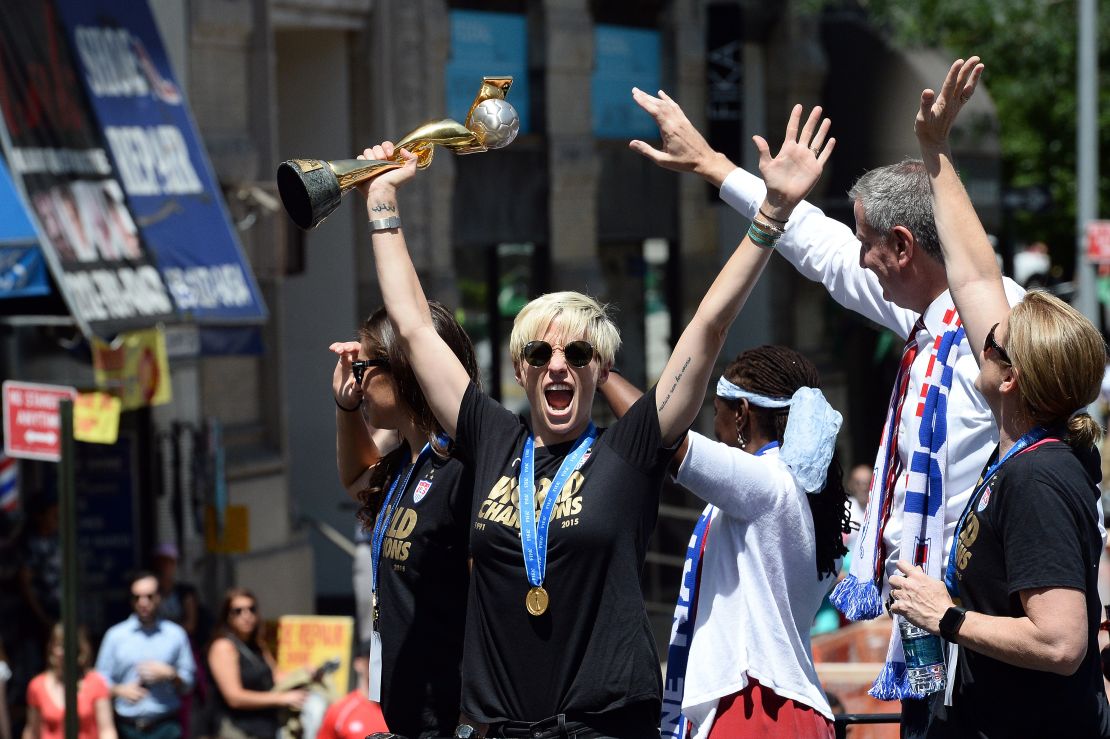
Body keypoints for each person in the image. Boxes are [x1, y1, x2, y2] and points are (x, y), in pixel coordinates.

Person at [355, 98, 833, 737]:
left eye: (577, 353)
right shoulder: (492, 436)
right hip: (499, 727)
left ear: (597, 368)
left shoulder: (630, 447)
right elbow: (414, 329)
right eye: (539, 353)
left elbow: (709, 324)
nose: (558, 365)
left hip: (605, 724)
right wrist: (382, 205)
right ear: (520, 371)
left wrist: (772, 214)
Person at [626, 85, 1025, 703]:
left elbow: (1067, 413)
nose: (860, 257)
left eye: (869, 241)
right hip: (932, 632)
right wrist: (714, 165)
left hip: (989, 617)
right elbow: (824, 251)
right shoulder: (927, 319)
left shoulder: (1003, 328)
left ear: (903, 245)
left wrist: (935, 148)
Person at [887, 56, 1110, 737]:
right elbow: (977, 270)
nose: (980, 331)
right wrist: (935, 149)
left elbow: (1061, 641)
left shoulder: (1040, 477)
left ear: (1010, 375)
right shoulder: (1028, 446)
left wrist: (943, 614)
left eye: (992, 339)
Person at [599, 345, 850, 738]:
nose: (711, 422)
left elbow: (662, 435)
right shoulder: (800, 495)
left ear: (742, 414)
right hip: (783, 707)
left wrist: (601, 375)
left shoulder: (768, 482)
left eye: (714, 410)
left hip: (759, 708)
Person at [329, 301, 479, 738]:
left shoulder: (460, 470)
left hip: (452, 720)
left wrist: (475, 722)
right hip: (409, 717)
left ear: (403, 368)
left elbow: (489, 607)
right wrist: (345, 408)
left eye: (364, 368)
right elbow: (357, 477)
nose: (357, 380)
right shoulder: (405, 466)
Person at [95, 571, 196, 739]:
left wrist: (170, 674)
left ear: (159, 597)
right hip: (127, 727)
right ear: (131, 600)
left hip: (166, 726)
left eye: (149, 596)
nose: (143, 603)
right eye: (137, 597)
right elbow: (98, 681)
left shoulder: (175, 634)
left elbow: (189, 683)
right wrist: (119, 690)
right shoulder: (115, 636)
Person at [206, 588, 305, 739]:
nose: (247, 616)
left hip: (266, 727)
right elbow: (234, 698)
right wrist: (281, 698)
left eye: (251, 609)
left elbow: (276, 676)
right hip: (238, 729)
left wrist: (304, 674)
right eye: (238, 611)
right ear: (228, 616)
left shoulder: (257, 645)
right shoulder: (223, 647)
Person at [23, 624, 116, 739]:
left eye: (68, 647)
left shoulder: (95, 682)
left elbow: (106, 730)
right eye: (59, 646)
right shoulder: (37, 685)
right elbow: (32, 731)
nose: (62, 652)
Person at [315, 642, 387, 739]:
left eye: (384, 659)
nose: (379, 664)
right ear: (358, 663)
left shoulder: (399, 712)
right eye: (373, 659)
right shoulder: (340, 711)